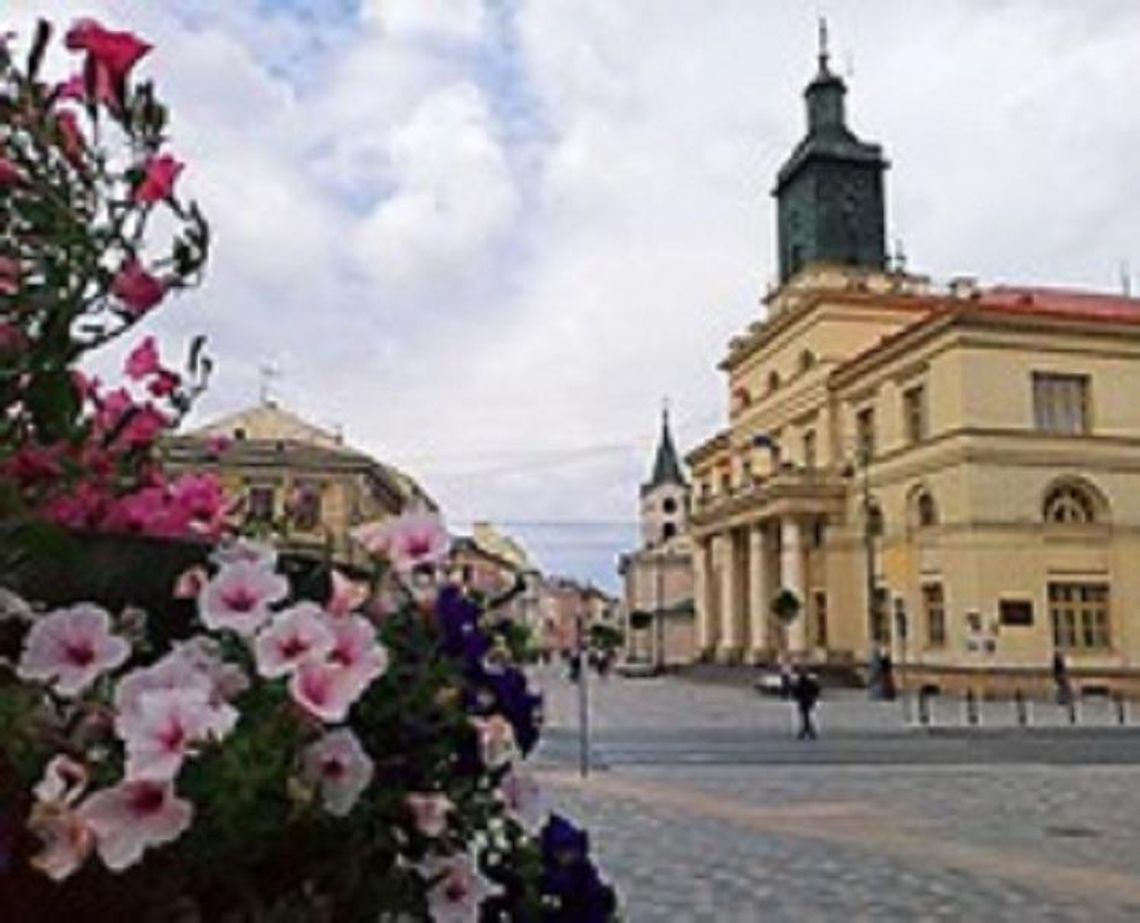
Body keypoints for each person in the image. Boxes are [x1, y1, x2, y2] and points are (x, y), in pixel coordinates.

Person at [791, 668, 821, 740]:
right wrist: (814, 697)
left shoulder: (799, 683)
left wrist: (797, 697)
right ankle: (810, 731)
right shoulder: (810, 683)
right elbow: (817, 690)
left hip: (803, 702)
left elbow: (795, 693)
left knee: (804, 718)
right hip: (809, 701)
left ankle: (806, 731)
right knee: (810, 717)